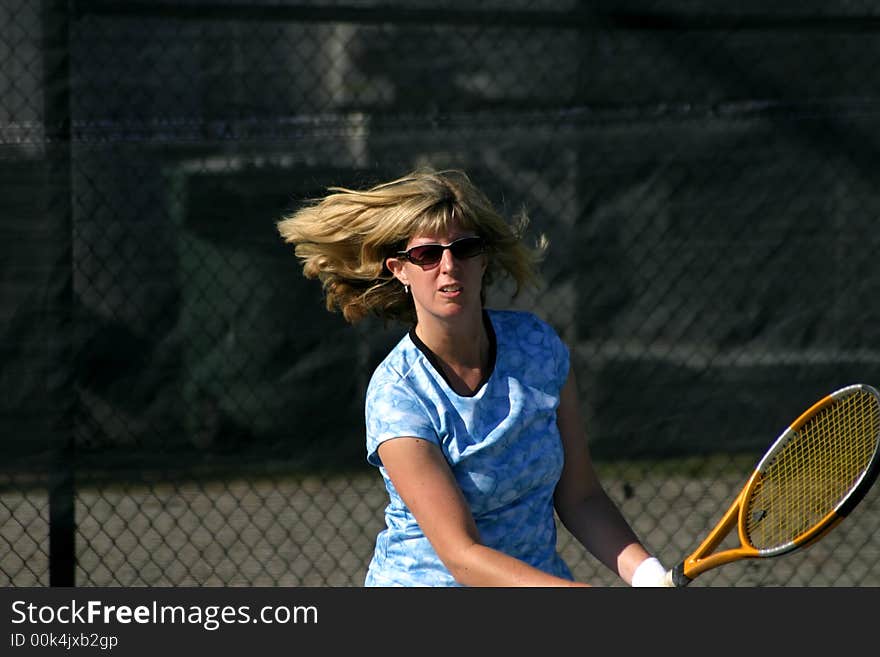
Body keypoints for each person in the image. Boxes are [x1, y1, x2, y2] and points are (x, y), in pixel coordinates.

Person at [277, 168, 670, 587]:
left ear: (483, 259)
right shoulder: (397, 393)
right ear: (400, 270)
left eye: (464, 248)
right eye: (427, 254)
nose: (449, 266)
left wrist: (647, 575)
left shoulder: (537, 345)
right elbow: (461, 555)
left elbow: (581, 497)